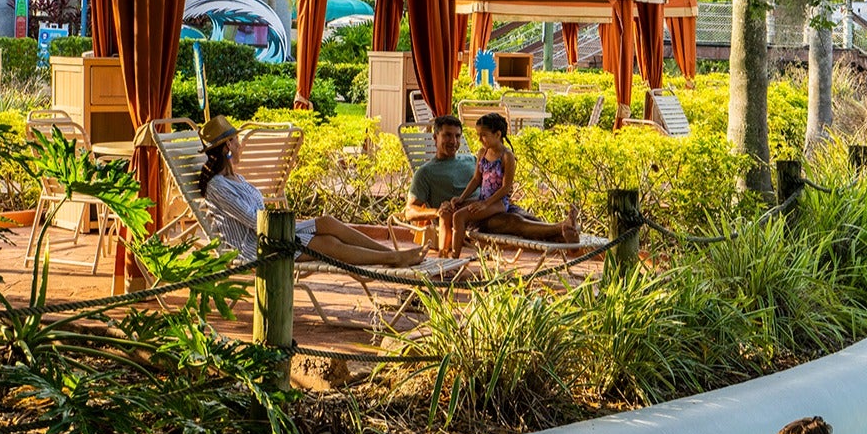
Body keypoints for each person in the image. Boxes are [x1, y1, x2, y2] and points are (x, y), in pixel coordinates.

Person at [197, 115, 429, 269]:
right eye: (237, 141)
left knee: (327, 222)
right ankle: (393, 259)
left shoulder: (237, 178)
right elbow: (254, 221)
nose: (240, 145)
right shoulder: (218, 186)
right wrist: (289, 227)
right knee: (328, 245)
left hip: (272, 232)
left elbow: (259, 217)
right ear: (228, 145)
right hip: (255, 248)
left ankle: (392, 253)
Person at [440, 112, 580, 257]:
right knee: (456, 212)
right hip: (484, 201)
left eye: (483, 135)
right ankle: (564, 232)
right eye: (478, 135)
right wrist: (462, 198)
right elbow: (476, 179)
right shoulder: (482, 152)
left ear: (497, 134)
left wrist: (485, 204)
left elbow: (506, 188)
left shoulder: (507, 156)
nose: (480, 139)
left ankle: (454, 256)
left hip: (497, 203)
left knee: (462, 217)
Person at [403, 115, 478, 248]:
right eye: (447, 135)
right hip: (469, 220)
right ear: (435, 138)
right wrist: (437, 212)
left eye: (457, 136)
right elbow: (409, 212)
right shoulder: (425, 172)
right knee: (515, 222)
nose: (453, 141)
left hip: (489, 207)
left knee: (520, 217)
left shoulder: (472, 160)